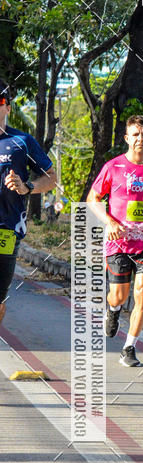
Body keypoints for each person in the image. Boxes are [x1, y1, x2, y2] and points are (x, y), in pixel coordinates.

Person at [87, 115, 143, 367]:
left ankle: (129, 347)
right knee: (118, 295)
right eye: (135, 134)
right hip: (119, 243)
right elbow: (93, 199)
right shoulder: (113, 167)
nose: (140, 139)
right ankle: (113, 310)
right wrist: (110, 223)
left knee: (142, 292)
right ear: (127, 138)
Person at [0, 78, 57, 326]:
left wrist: (27, 187)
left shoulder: (22, 142)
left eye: (0, 101)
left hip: (6, 230)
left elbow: (52, 178)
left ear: (8, 107)